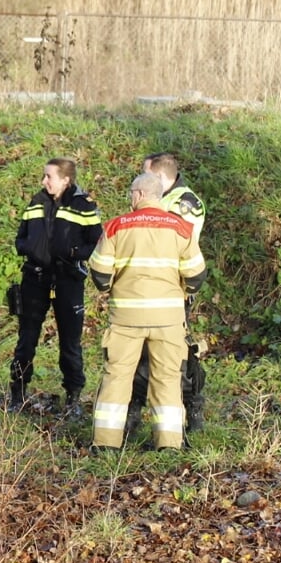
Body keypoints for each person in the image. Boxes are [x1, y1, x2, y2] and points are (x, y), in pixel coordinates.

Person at [88, 172, 207, 450]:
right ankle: (169, 444)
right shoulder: (180, 228)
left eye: (132, 193)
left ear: (139, 194)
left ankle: (106, 443)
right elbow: (196, 275)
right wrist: (180, 291)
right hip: (168, 320)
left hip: (126, 319)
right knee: (166, 378)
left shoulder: (117, 226)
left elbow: (100, 273)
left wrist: (114, 287)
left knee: (117, 377)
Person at [8, 158, 103, 416]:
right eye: (44, 176)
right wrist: (30, 249)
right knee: (26, 339)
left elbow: (97, 243)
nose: (44, 181)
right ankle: (17, 393)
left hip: (67, 280)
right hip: (35, 279)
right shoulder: (37, 201)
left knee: (70, 343)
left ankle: (73, 398)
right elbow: (20, 238)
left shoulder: (83, 205)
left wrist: (72, 253)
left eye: (49, 176)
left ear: (65, 179)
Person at [129, 152, 208, 431]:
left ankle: (192, 408)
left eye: (147, 176)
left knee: (177, 355)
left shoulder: (185, 203)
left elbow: (165, 240)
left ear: (160, 177)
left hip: (173, 290)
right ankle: (133, 410)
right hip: (145, 289)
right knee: (137, 353)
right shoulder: (161, 199)